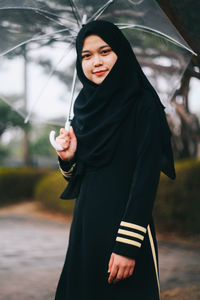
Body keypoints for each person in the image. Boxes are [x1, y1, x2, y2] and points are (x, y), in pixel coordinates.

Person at [54, 20, 176, 300]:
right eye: (86, 56)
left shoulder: (143, 105)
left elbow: (145, 181)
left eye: (104, 51)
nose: (96, 62)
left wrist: (127, 247)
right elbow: (81, 179)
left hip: (125, 233)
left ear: (121, 53)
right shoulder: (84, 108)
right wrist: (68, 159)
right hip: (85, 232)